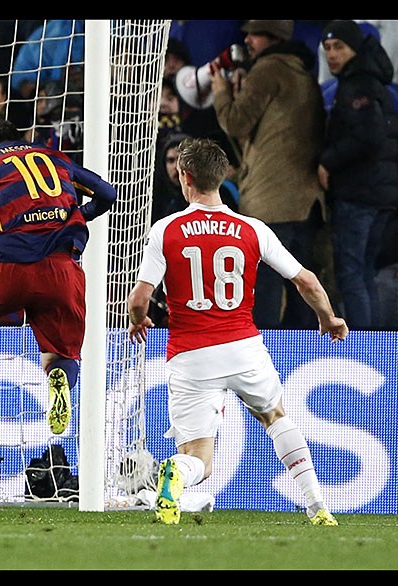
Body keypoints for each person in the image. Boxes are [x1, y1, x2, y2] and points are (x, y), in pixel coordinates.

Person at [127, 138, 346, 526]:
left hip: (191, 355)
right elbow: (307, 281)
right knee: (275, 416)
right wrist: (328, 318)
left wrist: (138, 320)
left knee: (198, 457)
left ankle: (177, 475)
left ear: (184, 177)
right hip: (243, 346)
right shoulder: (251, 228)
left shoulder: (166, 229)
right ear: (225, 175)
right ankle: (317, 505)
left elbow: (140, 297)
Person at [0, 118, 117, 436]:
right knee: (62, 353)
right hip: (61, 269)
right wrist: (81, 215)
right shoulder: (54, 157)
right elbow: (107, 193)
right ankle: (58, 378)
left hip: (8, 269)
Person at [211, 20, 327, 329]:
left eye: (255, 33)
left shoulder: (267, 70)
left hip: (270, 203)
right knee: (300, 286)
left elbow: (236, 123)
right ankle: (303, 352)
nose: (247, 39)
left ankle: (265, 353)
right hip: (304, 203)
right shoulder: (301, 71)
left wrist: (221, 93)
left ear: (273, 36)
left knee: (265, 290)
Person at [317, 20, 398, 330]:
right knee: (364, 273)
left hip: (360, 194)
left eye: (339, 47)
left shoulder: (357, 84)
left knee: (351, 273)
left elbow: (370, 135)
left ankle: (360, 345)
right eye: (327, 48)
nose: (333, 54)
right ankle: (374, 345)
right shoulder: (370, 79)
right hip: (378, 194)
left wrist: (328, 161)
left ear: (355, 48)